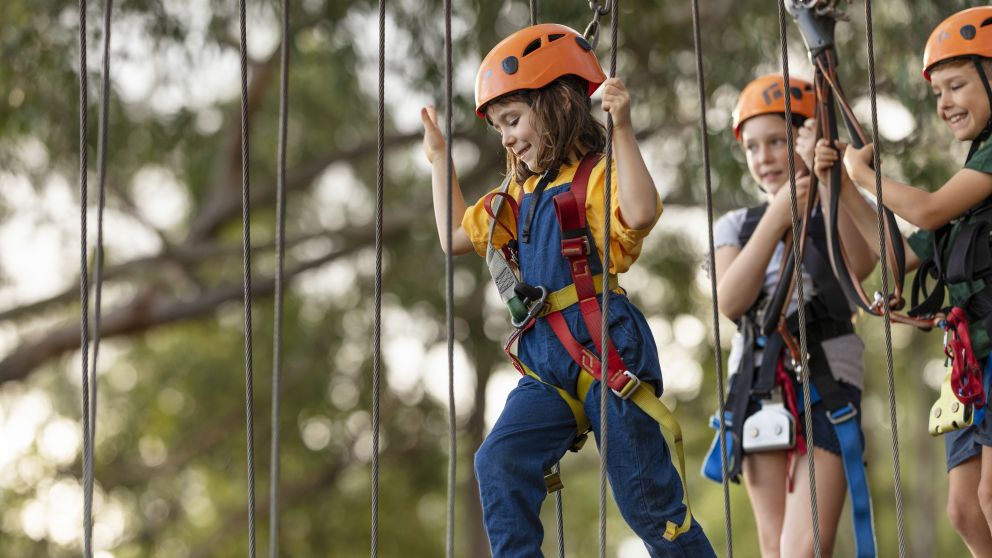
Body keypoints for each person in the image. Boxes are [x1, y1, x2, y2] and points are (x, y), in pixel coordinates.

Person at [419, 23, 714, 557]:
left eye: (513, 120)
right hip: (547, 363)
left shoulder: (596, 180)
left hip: (607, 352)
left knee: (649, 506)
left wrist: (620, 125)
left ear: (557, 104)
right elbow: (455, 235)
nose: (506, 138)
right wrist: (441, 159)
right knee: (498, 461)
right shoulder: (515, 195)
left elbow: (642, 212)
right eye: (499, 128)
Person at [813, 7, 992, 555]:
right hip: (972, 362)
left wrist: (867, 174)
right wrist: (842, 185)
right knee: (963, 509)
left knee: (990, 494)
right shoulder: (971, 189)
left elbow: (931, 209)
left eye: (957, 85)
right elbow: (892, 252)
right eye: (939, 92)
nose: (945, 104)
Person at [708, 74, 877, 557]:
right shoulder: (736, 226)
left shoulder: (836, 204)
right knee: (774, 549)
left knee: (803, 548)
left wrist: (827, 183)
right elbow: (731, 301)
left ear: (806, 138)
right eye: (754, 147)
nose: (765, 157)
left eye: (780, 141)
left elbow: (859, 266)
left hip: (826, 382)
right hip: (758, 386)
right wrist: (778, 216)